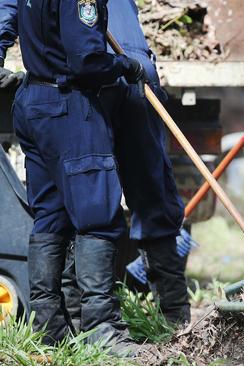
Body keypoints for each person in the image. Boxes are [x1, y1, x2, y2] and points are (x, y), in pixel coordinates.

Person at [12, 0, 145, 352]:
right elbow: (85, 60)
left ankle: (50, 327)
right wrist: (124, 65)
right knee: (98, 216)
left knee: (51, 217)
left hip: (34, 100)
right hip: (68, 105)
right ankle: (101, 328)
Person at [62, 0, 191, 328]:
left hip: (96, 77)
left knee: (90, 199)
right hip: (135, 70)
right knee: (152, 192)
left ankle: (84, 320)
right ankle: (175, 316)